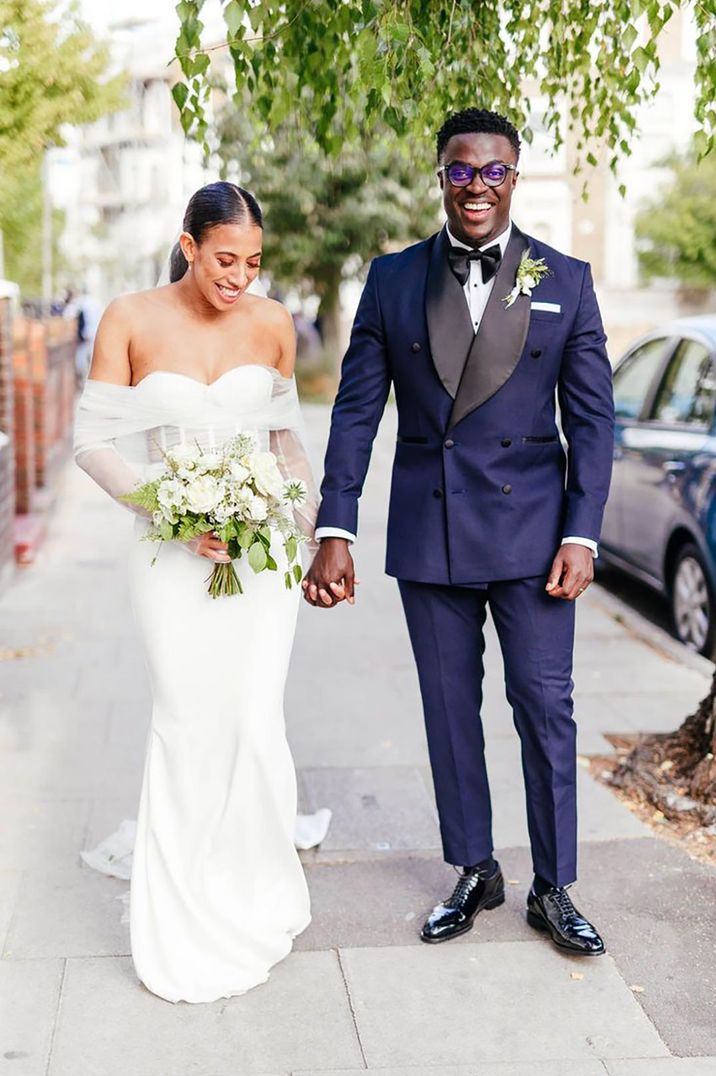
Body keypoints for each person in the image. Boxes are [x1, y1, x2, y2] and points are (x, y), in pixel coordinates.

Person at [304, 109, 615, 957]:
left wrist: (582, 534)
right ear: (440, 175)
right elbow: (358, 408)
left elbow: (592, 422)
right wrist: (337, 523)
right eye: (461, 170)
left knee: (545, 707)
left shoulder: (567, 278)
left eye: (495, 171)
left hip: (536, 533)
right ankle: (475, 867)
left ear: (516, 177)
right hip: (431, 526)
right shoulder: (394, 278)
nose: (477, 186)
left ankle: (554, 886)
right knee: (449, 712)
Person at [73, 181, 329, 1004]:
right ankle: (183, 909)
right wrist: (169, 508)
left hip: (263, 561)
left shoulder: (273, 322)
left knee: (254, 721)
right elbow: (91, 443)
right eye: (226, 259)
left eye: (254, 262)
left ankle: (253, 883)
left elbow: (287, 445)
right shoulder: (129, 319)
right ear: (188, 245)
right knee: (188, 722)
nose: (241, 277)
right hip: (168, 553)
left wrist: (317, 532)